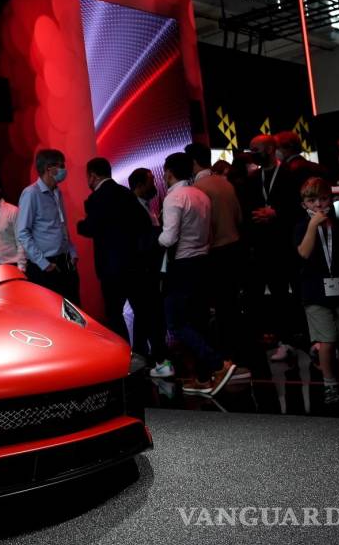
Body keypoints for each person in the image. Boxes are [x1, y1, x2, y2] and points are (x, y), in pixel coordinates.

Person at [159, 152, 235, 395]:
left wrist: (152, 240)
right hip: (203, 261)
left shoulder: (174, 198)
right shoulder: (200, 194)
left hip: (182, 265)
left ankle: (218, 364)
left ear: (168, 173)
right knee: (199, 320)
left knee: (176, 321)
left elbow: (169, 238)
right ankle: (204, 377)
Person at [293, 177, 339, 404]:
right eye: (312, 200)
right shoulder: (302, 226)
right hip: (314, 290)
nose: (318, 204)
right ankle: (330, 384)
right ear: (304, 204)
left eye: (323, 199)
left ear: (330, 199)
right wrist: (313, 226)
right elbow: (303, 253)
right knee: (327, 340)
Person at [240, 134, 306, 361]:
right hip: (261, 247)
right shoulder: (252, 178)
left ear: (269, 149)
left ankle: (300, 339)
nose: (252, 153)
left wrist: (276, 213)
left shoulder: (290, 175)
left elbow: (299, 207)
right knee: (269, 297)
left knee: (291, 294)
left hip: (287, 246)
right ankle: (278, 339)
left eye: (255, 149)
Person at [184, 143, 246, 372]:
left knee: (215, 307)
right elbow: (239, 217)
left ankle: (221, 358)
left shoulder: (197, 189)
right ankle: (237, 351)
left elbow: (200, 227)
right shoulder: (225, 182)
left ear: (192, 162)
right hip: (234, 248)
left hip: (214, 253)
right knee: (230, 304)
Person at [76, 157, 152, 342]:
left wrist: (80, 225)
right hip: (134, 263)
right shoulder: (126, 193)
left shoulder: (95, 198)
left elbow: (91, 227)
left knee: (114, 313)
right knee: (141, 310)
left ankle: (124, 351)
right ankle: (142, 351)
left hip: (110, 268)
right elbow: (145, 222)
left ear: (93, 176)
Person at [16, 150, 80, 303]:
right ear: (49, 168)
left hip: (64, 261)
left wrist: (72, 251)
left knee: (74, 307)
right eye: (61, 166)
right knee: (54, 310)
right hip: (45, 266)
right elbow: (22, 232)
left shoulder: (57, 192)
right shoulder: (31, 193)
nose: (64, 170)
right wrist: (43, 263)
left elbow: (61, 225)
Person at [127, 167, 167, 370]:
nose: (155, 184)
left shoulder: (148, 206)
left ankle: (143, 356)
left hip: (151, 271)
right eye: (151, 181)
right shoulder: (133, 209)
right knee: (147, 313)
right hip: (141, 272)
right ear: (139, 185)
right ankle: (156, 356)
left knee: (144, 315)